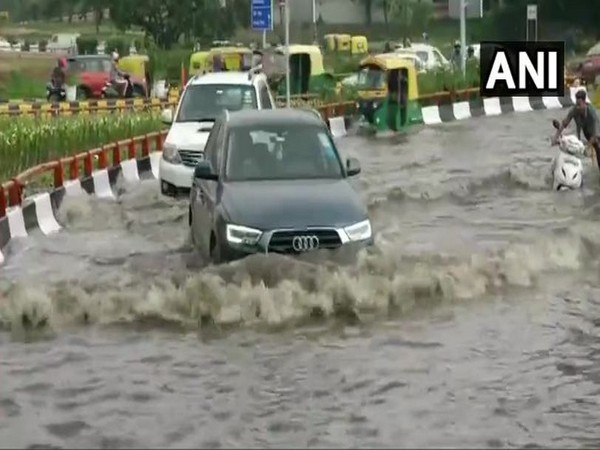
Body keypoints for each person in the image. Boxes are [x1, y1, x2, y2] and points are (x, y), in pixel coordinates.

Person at [553, 89, 600, 171]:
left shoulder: (592, 113)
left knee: (598, 150)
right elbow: (564, 123)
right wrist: (555, 137)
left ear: (584, 103)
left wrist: (587, 147)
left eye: (579, 104)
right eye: (576, 104)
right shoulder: (574, 110)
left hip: (596, 135)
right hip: (587, 134)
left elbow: (595, 135)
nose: (577, 107)